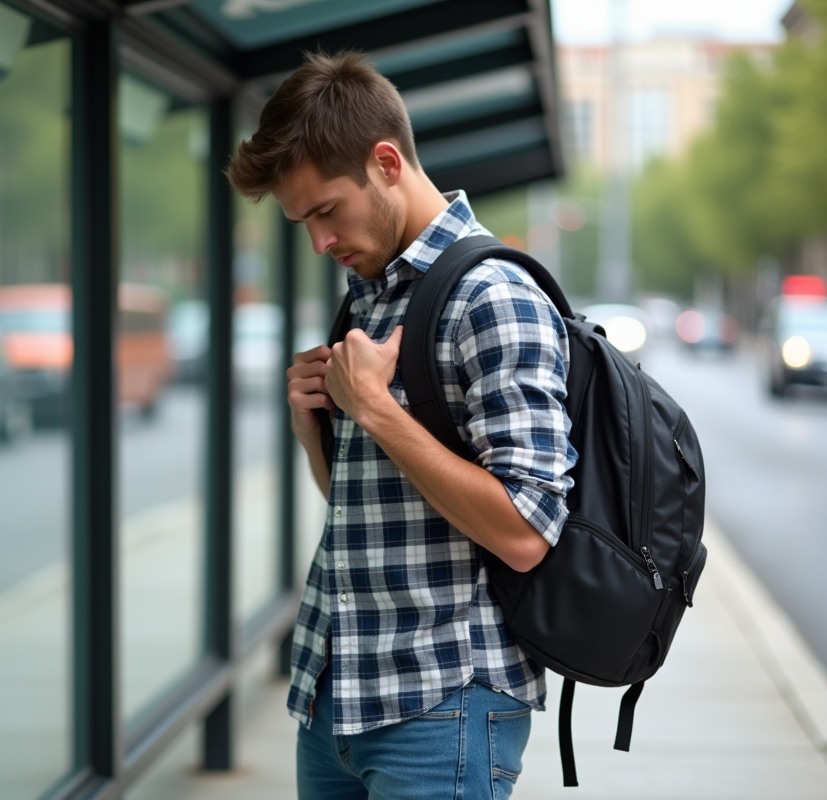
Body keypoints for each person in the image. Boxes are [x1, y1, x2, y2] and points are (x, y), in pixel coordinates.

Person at [227, 51, 576, 800]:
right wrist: (312, 427)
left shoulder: (491, 295)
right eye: (302, 223)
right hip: (334, 692)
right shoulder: (368, 293)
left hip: (441, 702)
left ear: (387, 162)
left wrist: (378, 412)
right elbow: (364, 509)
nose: (319, 241)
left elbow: (525, 531)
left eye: (325, 211)